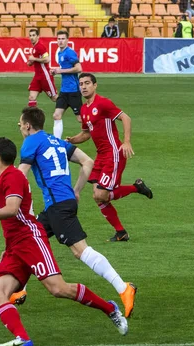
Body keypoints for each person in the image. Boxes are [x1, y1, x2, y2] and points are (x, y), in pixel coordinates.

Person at [0, 137, 128, 346]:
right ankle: (23, 339)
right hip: (14, 246)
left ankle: (110, 309)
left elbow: (13, 209)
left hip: (30, 239)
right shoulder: (4, 179)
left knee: (58, 289)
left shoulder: (14, 176)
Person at [12, 106, 137, 318]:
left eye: (20, 122)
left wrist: (1, 191)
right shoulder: (57, 141)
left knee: (81, 251)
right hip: (59, 204)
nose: (19, 126)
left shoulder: (30, 142)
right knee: (29, 240)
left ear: (27, 125)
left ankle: (123, 288)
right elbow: (88, 162)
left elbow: (20, 174)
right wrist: (76, 190)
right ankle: (19, 289)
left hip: (59, 206)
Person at [66, 73, 153, 242]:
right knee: (98, 195)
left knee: (101, 195)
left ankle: (136, 190)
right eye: (81, 84)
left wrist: (126, 142)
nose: (83, 87)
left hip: (113, 154)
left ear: (95, 85)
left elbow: (125, 118)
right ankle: (121, 232)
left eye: (87, 83)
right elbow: (86, 134)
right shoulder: (84, 109)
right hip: (101, 156)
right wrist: (73, 140)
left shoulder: (103, 103)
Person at [50, 30, 82, 140]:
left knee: (80, 119)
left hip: (73, 91)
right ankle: (56, 141)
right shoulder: (59, 53)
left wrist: (61, 71)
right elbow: (62, 69)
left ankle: (99, 129)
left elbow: (79, 68)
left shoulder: (70, 52)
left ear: (67, 40)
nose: (60, 41)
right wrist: (56, 71)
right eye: (59, 39)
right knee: (56, 115)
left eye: (63, 39)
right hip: (64, 91)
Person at [26, 28, 58, 108]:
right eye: (30, 36)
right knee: (32, 97)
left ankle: (70, 102)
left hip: (45, 76)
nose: (31, 37)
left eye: (33, 35)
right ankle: (33, 117)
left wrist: (34, 59)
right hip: (37, 76)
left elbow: (47, 59)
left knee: (54, 98)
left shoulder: (40, 47)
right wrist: (31, 62)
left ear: (38, 36)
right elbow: (37, 60)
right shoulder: (35, 48)